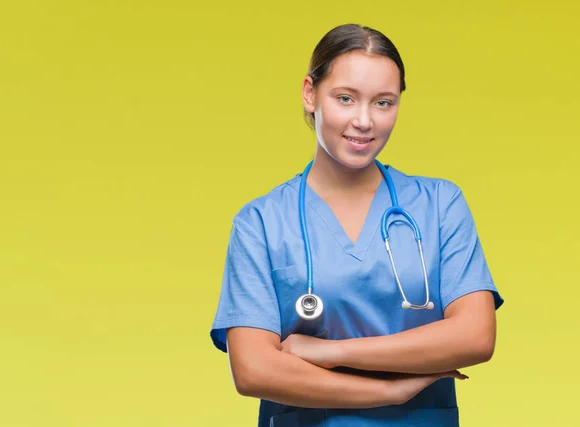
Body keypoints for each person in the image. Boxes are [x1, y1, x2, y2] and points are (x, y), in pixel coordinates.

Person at [210, 23, 504, 427]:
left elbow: (474, 336)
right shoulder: (260, 223)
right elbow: (253, 370)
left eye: (383, 103)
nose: (364, 121)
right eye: (345, 99)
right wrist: (388, 391)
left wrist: (329, 352)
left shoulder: (439, 204)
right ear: (310, 94)